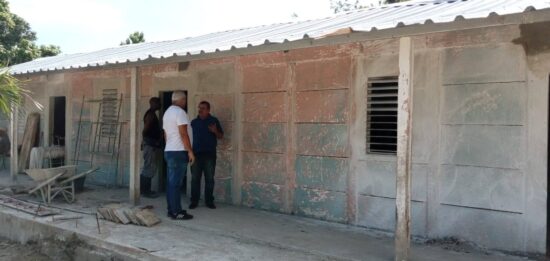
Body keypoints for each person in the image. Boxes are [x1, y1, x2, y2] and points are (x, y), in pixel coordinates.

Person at [163, 91, 195, 220]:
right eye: (185, 100)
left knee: (171, 183)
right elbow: (183, 133)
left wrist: (169, 145)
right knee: (176, 183)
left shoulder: (167, 113)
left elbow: (165, 134)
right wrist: (190, 151)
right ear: (182, 100)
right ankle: (177, 212)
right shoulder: (180, 112)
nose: (185, 102)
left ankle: (171, 210)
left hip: (170, 151)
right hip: (178, 152)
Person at [189, 101, 223, 209]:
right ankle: (194, 201)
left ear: (208, 110)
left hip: (209, 155)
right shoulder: (193, 122)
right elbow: (188, 138)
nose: (200, 110)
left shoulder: (214, 121)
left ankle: (209, 201)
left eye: (203, 108)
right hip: (196, 155)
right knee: (195, 179)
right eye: (199, 108)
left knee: (209, 179)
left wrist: (215, 131)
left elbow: (221, 136)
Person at [140, 97, 162, 198]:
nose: (159, 104)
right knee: (148, 167)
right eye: (158, 103)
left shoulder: (152, 114)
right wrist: (144, 141)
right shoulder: (150, 115)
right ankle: (145, 191)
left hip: (150, 143)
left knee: (149, 167)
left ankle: (145, 190)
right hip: (149, 144)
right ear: (152, 103)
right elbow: (145, 130)